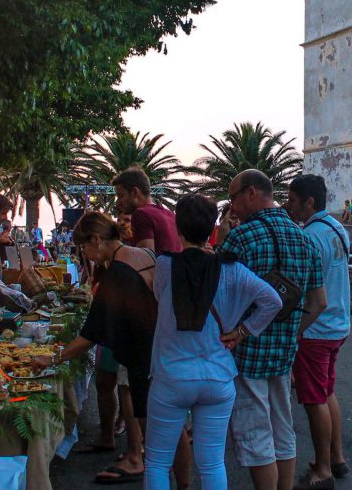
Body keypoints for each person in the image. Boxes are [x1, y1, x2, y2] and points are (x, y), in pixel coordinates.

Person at [144, 195, 282, 490]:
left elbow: (160, 299)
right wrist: (244, 330)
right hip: (218, 376)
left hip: (172, 376)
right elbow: (273, 300)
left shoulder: (166, 266)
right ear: (212, 230)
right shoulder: (233, 270)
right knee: (212, 462)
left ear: (178, 229)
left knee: (157, 462)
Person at [214, 170, 326, 490]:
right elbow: (319, 302)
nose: (232, 206)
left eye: (233, 198)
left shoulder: (241, 238)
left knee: (255, 435)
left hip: (246, 352)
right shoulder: (305, 239)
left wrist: (221, 242)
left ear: (251, 193)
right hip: (283, 353)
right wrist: (292, 331)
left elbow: (218, 296)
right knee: (282, 428)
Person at [50, 212, 158, 485]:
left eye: (83, 246)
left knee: (144, 413)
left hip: (139, 353)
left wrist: (53, 359)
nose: (83, 253)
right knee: (164, 423)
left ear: (96, 240)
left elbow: (90, 334)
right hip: (158, 347)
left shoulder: (116, 274)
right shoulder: (144, 256)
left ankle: (142, 465)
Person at [112, 167, 189, 486]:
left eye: (120, 195)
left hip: (150, 313)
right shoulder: (166, 213)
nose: (118, 202)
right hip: (173, 310)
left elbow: (145, 259)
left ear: (134, 192)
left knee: (133, 385)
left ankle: (141, 454)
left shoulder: (143, 214)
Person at [286, 175, 351, 490]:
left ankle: (323, 469)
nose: (289, 206)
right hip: (338, 325)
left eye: (293, 200)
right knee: (327, 393)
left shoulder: (309, 236)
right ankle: (336, 459)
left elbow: (307, 293)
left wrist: (296, 330)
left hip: (315, 329)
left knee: (314, 400)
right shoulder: (338, 229)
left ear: (309, 201)